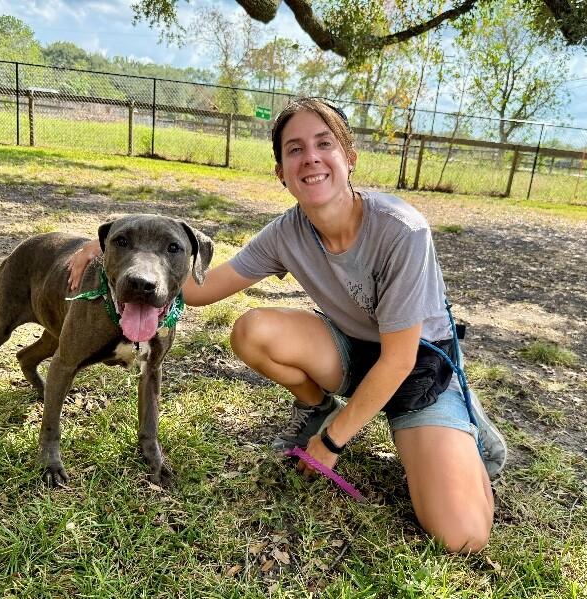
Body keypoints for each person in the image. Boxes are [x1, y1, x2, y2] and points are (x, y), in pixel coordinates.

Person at [67, 97, 507, 554]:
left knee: (462, 536)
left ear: (349, 157)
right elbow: (196, 290)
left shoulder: (401, 229)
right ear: (281, 172)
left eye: (324, 143)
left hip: (418, 367)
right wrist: (115, 251)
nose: (310, 157)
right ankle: (318, 407)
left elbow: (399, 359)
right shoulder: (286, 232)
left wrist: (331, 444)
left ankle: (466, 420)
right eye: (294, 149)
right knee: (251, 331)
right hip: (352, 350)